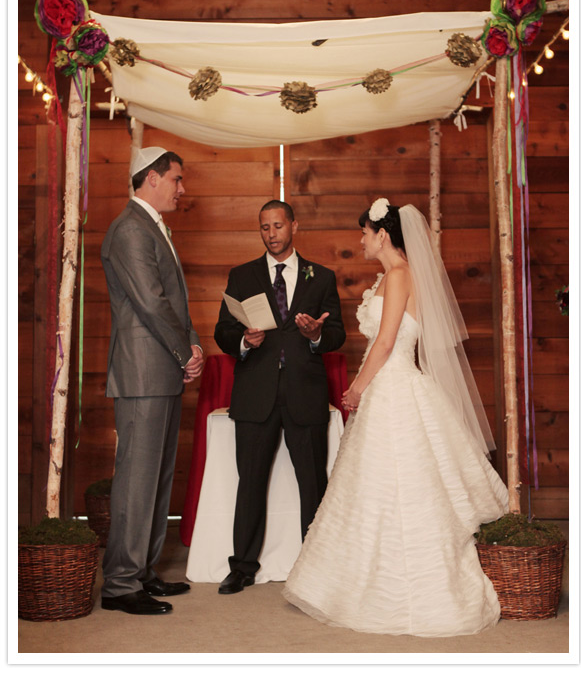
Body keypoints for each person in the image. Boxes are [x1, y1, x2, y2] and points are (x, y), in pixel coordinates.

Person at [283, 199, 509, 637]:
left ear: (382, 234)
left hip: (393, 385)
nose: (360, 240)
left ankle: (407, 588)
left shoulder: (401, 275)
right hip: (390, 386)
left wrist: (356, 388)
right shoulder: (393, 276)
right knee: (374, 488)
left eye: (364, 232)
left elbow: (385, 344)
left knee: (399, 487)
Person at [214, 199, 346, 595]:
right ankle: (242, 567)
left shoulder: (321, 277)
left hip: (304, 394)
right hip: (256, 395)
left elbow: (337, 333)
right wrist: (243, 340)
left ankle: (317, 565)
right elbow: (222, 331)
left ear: (294, 226)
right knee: (250, 483)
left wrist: (315, 335)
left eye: (277, 226)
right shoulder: (242, 276)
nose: (271, 234)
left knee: (313, 484)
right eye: (264, 227)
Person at [100, 147, 204, 616]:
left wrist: (194, 347)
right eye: (177, 180)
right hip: (143, 373)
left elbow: (174, 304)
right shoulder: (129, 229)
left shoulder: (152, 228)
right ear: (152, 179)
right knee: (137, 480)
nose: (183, 190)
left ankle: (142, 572)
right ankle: (120, 584)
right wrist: (186, 352)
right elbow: (150, 303)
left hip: (163, 369)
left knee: (158, 479)